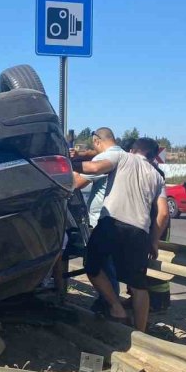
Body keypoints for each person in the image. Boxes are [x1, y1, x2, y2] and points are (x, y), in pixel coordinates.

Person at [84, 138, 168, 332]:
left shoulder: (122, 157)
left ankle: (116, 307)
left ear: (132, 149)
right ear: (154, 156)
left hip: (111, 223)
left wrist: (65, 163)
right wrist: (154, 241)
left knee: (92, 266)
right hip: (139, 232)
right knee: (138, 285)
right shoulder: (158, 176)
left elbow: (94, 168)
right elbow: (163, 213)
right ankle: (141, 331)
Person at [73, 128, 125, 314]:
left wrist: (66, 165)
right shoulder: (125, 157)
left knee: (99, 265)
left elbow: (77, 183)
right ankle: (113, 302)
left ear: (96, 142)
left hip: (101, 220)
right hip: (125, 221)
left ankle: (110, 304)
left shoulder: (102, 160)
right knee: (112, 265)